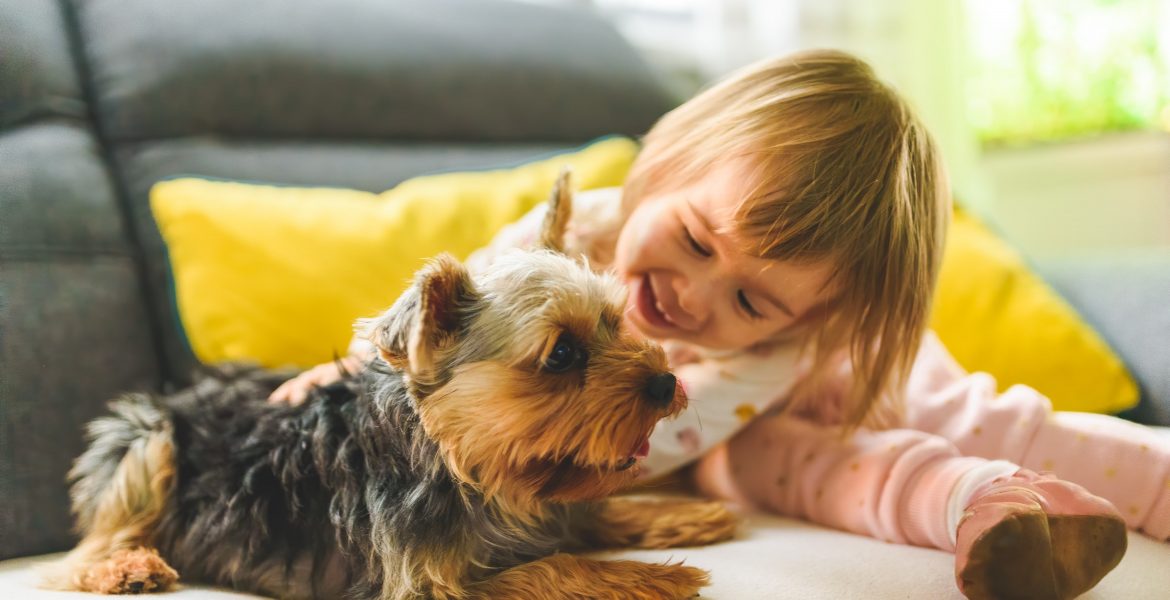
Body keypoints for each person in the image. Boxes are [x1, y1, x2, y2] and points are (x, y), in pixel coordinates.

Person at [270, 50, 1167, 599]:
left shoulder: (783, 344)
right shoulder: (565, 241)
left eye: (749, 298)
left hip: (779, 390)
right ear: (665, 166)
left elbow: (647, 443)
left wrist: (765, 338)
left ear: (808, 312)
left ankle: (1151, 480)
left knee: (982, 422)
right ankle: (990, 516)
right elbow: (452, 341)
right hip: (735, 441)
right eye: (695, 240)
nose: (695, 298)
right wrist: (342, 375)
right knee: (842, 475)